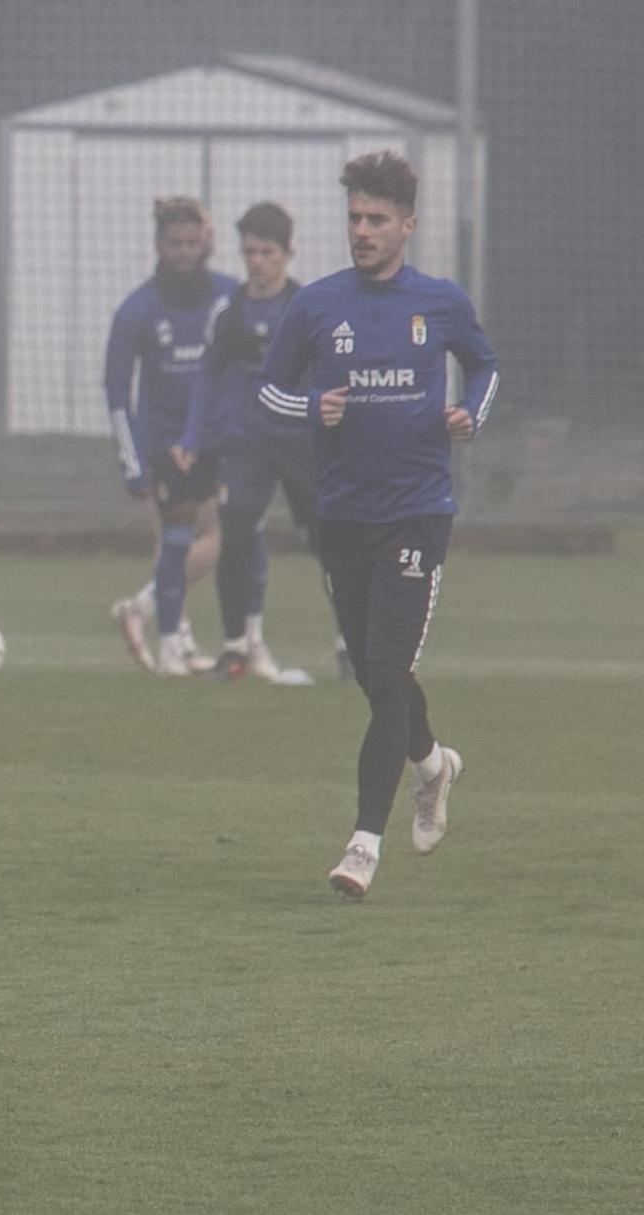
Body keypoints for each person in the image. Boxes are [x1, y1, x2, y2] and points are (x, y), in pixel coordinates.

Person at [257, 150, 497, 899]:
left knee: (388, 668)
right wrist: (311, 408)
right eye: (355, 217)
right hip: (343, 516)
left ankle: (363, 842)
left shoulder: (440, 302)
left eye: (377, 219)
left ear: (407, 225)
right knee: (373, 674)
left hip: (418, 513)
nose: (361, 230)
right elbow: (267, 390)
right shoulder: (318, 306)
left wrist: (468, 415)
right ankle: (432, 765)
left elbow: (486, 368)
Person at [178, 201, 332, 682]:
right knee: (237, 531)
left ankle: (352, 649)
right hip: (247, 441)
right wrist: (193, 435)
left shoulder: (308, 309)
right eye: (249, 252)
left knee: (330, 543)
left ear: (288, 253)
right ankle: (235, 650)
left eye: (267, 252)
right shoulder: (229, 311)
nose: (257, 262)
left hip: (303, 441)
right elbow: (208, 375)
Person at [105, 196, 237, 676]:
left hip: (215, 439)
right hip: (165, 442)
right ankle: (167, 638)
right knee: (184, 536)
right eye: (174, 243)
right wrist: (132, 460)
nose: (184, 252)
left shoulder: (228, 296)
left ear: (206, 243)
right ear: (159, 246)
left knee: (213, 537)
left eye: (192, 242)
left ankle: (158, 620)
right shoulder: (137, 309)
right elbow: (117, 391)